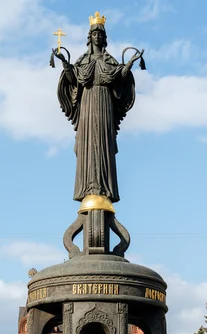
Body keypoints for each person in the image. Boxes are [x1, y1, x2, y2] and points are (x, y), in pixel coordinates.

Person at [55, 13, 142, 203]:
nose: (98, 37)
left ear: (104, 38)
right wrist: (64, 63)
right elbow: (73, 80)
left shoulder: (109, 61)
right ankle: (88, 185)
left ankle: (104, 186)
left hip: (105, 105)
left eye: (100, 34)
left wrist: (129, 64)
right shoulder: (82, 61)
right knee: (87, 144)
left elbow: (119, 78)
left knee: (103, 144)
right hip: (87, 104)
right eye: (94, 34)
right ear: (90, 37)